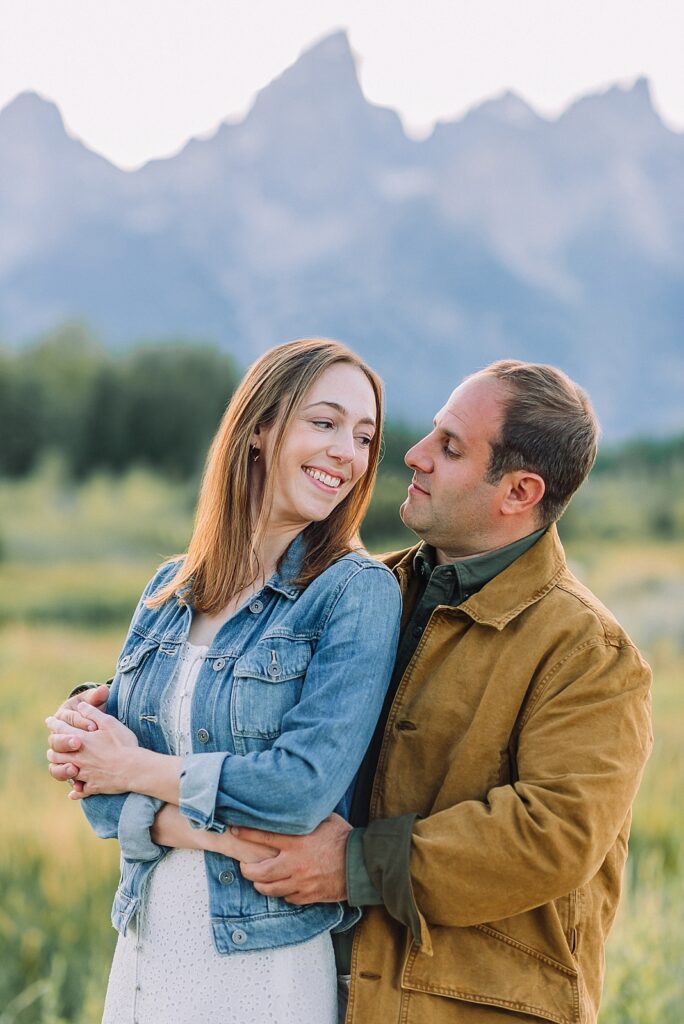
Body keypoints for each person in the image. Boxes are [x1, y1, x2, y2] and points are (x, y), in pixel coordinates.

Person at [219, 361, 653, 1024]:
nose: (414, 456)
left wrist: (355, 864)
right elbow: (238, 684)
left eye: (450, 447)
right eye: (431, 435)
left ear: (518, 491)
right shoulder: (358, 591)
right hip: (307, 991)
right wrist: (115, 702)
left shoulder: (588, 650)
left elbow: (554, 833)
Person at [45, 337, 402, 1024]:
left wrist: (134, 769)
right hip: (146, 944)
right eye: (324, 423)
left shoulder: (354, 591)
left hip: (257, 964)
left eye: (363, 436)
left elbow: (298, 792)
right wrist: (207, 832)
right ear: (261, 429)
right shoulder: (170, 588)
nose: (346, 453)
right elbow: (94, 794)